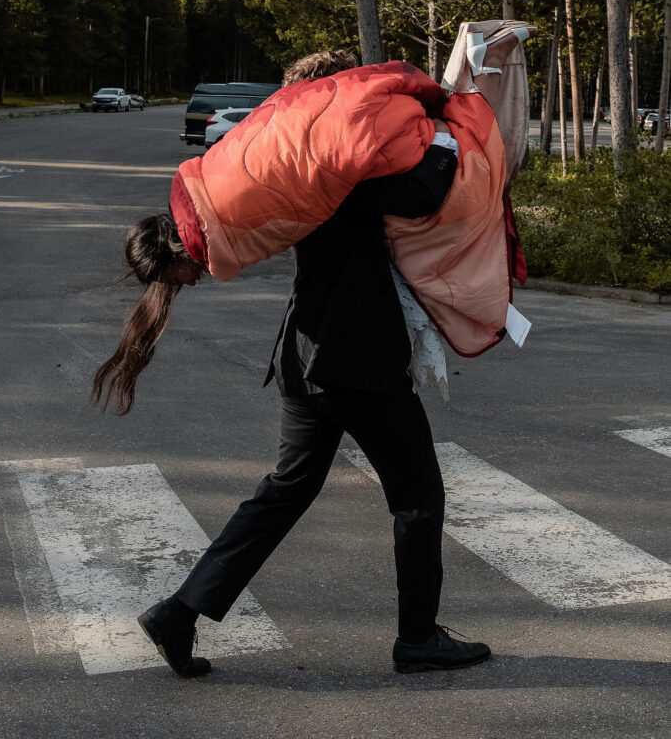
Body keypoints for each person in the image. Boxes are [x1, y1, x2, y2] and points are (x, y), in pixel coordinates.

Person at [92, 49, 491, 678]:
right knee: (418, 496)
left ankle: (179, 614)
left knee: (283, 492)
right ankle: (417, 639)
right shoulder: (337, 171)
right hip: (355, 357)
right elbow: (422, 192)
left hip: (304, 357)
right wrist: (453, 139)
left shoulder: (293, 175)